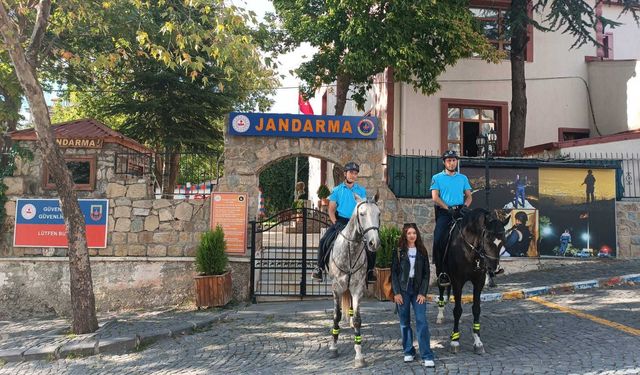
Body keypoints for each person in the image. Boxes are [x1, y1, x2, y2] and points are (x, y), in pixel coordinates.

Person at [312, 162, 376, 282]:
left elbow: (364, 208)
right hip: (341, 221)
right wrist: (335, 222)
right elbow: (331, 210)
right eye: (351, 172)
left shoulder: (361, 191)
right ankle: (319, 268)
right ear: (345, 174)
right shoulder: (337, 190)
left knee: (371, 243)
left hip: (358, 223)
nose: (353, 175)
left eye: (355, 173)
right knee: (324, 240)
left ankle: (370, 271)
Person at [391, 223, 435, 368]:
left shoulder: (422, 251)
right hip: (403, 290)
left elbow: (426, 274)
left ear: (417, 235)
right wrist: (396, 292)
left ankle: (427, 355)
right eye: (409, 233)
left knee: (421, 321)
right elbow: (394, 273)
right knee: (404, 323)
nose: (412, 235)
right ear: (405, 235)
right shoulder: (398, 251)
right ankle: (408, 351)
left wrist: (423, 292)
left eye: (414, 233)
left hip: (417, 291)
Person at [430, 150, 472, 287]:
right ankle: (441, 272)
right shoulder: (437, 178)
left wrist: (465, 206)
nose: (452, 163)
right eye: (449, 160)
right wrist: (448, 208)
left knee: (478, 231)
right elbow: (435, 197)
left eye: (454, 160)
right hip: (445, 212)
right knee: (438, 238)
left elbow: (469, 196)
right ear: (444, 162)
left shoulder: (463, 178)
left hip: (461, 210)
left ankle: (486, 268)